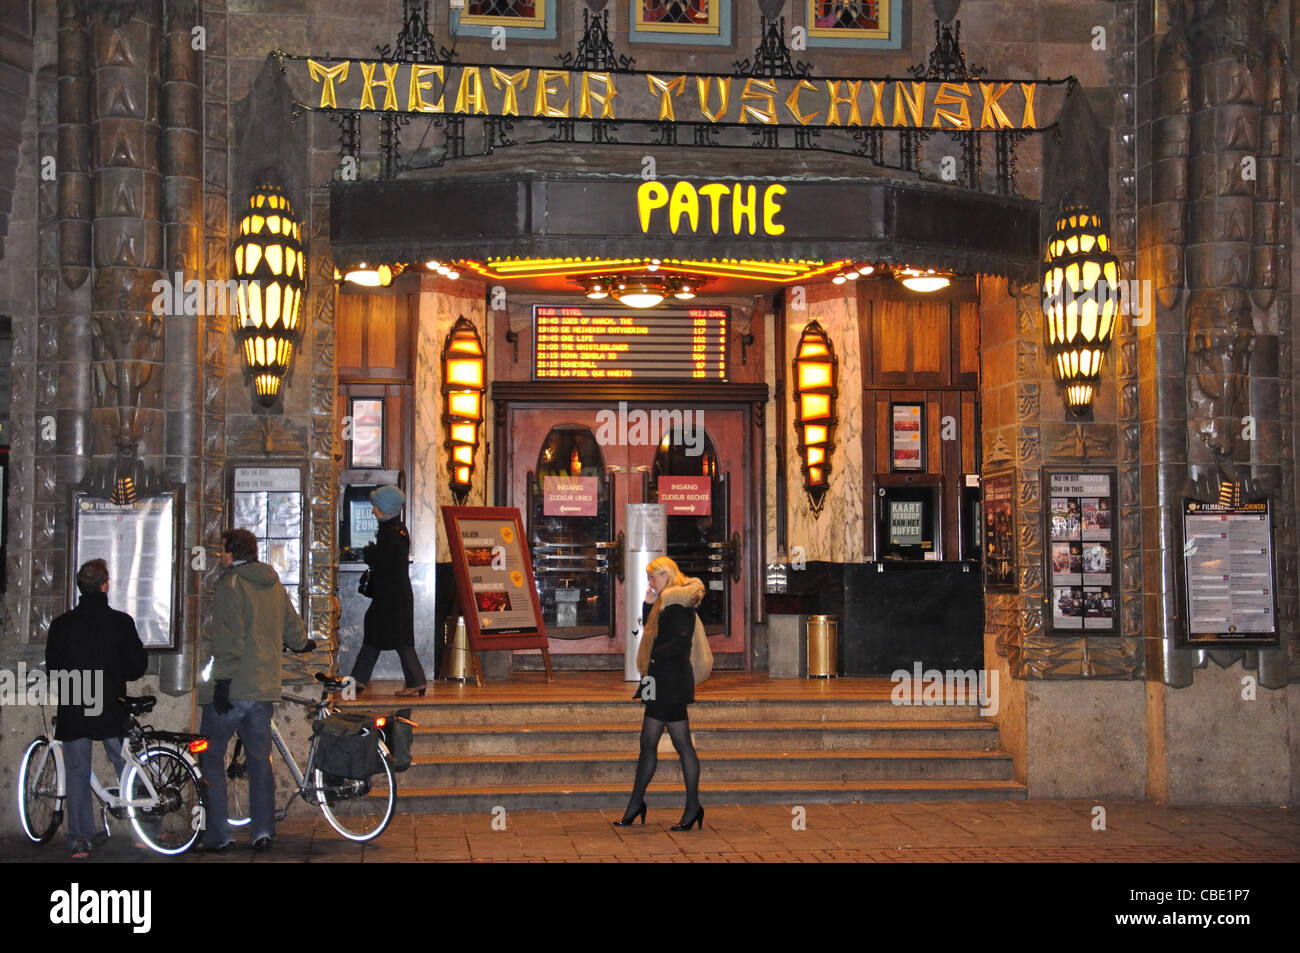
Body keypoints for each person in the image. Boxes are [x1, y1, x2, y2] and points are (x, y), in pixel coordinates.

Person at [196, 528, 313, 852]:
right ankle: (263, 830)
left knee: (211, 755)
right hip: (264, 689)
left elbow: (228, 639)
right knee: (261, 761)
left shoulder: (229, 584)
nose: (221, 556)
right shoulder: (273, 584)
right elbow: (294, 629)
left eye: (222, 551)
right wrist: (305, 645)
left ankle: (219, 833)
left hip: (234, 687)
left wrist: (221, 682)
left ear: (231, 554)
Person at [45, 559, 148, 858]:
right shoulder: (120, 622)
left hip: (76, 706)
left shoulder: (61, 624)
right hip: (111, 706)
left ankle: (80, 839)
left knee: (77, 771)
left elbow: (54, 670)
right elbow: (136, 667)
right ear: (105, 585)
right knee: (127, 766)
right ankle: (145, 831)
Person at [614, 556, 705, 831]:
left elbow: (678, 642)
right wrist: (648, 602)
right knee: (649, 741)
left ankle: (690, 808)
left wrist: (653, 658)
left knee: (680, 744)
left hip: (671, 681)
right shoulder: (665, 601)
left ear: (667, 575)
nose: (650, 582)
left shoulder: (678, 603)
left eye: (653, 577)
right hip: (660, 681)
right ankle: (637, 804)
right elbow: (652, 629)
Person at [350, 485, 426, 697]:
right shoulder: (396, 529)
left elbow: (384, 562)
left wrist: (368, 552)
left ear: (383, 508)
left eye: (375, 506)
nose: (373, 510)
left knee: (381, 636)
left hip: (390, 597)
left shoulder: (390, 533)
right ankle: (359, 681)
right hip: (395, 595)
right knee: (391, 638)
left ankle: (357, 681)